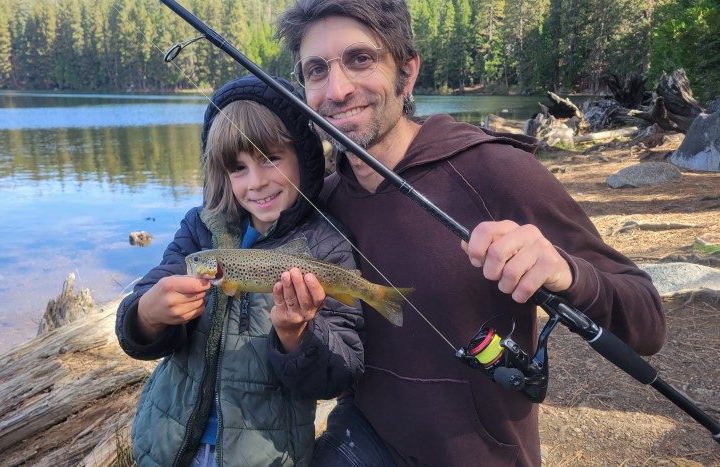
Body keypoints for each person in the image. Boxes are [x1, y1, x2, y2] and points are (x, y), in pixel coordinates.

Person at [275, 1, 667, 465]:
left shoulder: (498, 171)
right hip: (362, 445)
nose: (336, 89)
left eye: (360, 59)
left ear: (407, 70)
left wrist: (567, 273)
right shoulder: (323, 201)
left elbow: (648, 322)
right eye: (316, 70)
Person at [115, 75, 366, 467]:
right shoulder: (200, 230)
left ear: (303, 155)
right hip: (167, 444)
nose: (257, 182)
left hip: (265, 454)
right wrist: (147, 314)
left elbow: (341, 373)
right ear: (221, 173)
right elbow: (139, 322)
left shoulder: (327, 244)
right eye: (238, 168)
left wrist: (296, 336)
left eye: (270, 159)